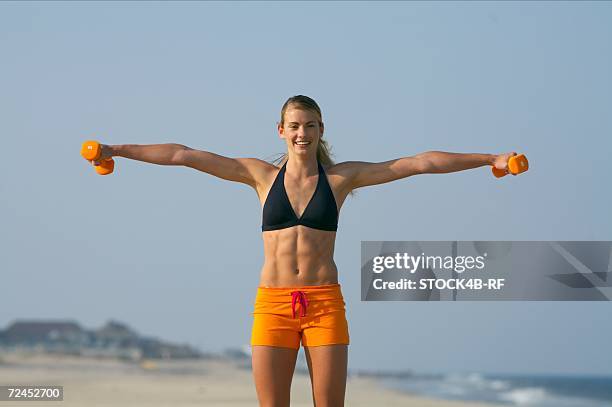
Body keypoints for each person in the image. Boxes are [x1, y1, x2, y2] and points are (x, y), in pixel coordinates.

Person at [87, 95, 518, 407]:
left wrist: (490, 159)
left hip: (324, 306)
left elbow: (417, 163)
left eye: (310, 125)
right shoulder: (259, 176)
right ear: (281, 131)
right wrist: (116, 151)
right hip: (272, 306)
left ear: (320, 130)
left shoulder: (341, 180)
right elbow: (184, 155)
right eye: (294, 125)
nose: (302, 133)